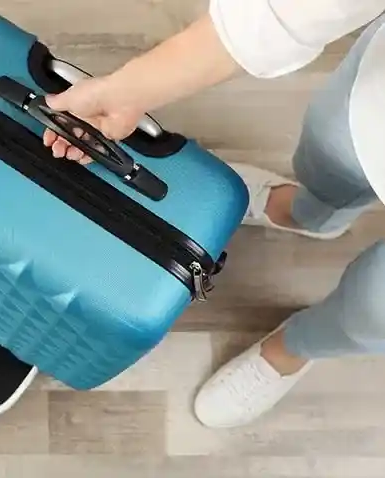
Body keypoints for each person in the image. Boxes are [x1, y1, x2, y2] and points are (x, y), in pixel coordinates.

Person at [43, 0, 385, 428]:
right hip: (377, 105)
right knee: (330, 156)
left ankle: (294, 348)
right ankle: (308, 212)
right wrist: (129, 92)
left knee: (374, 311)